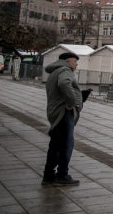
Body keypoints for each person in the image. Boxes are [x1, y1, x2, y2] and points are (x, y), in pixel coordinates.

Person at [42, 52, 83, 185]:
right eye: (75, 61)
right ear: (67, 61)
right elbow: (64, 84)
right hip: (63, 113)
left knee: (55, 145)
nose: (76, 64)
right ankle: (62, 174)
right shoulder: (65, 70)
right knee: (66, 145)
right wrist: (72, 103)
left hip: (56, 112)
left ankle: (48, 175)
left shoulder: (55, 72)